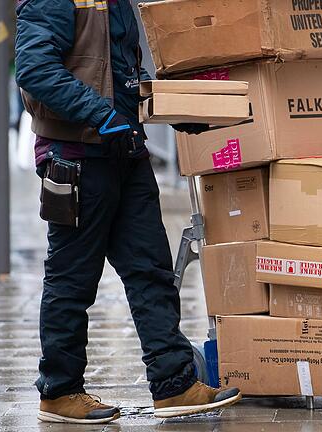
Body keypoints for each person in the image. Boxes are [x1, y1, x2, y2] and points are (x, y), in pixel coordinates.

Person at [14, 0, 240, 424]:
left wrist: (174, 109)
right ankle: (59, 392)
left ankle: (175, 385)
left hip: (124, 151)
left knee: (150, 270)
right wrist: (102, 116)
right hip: (78, 156)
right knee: (72, 279)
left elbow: (119, 75)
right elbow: (36, 71)